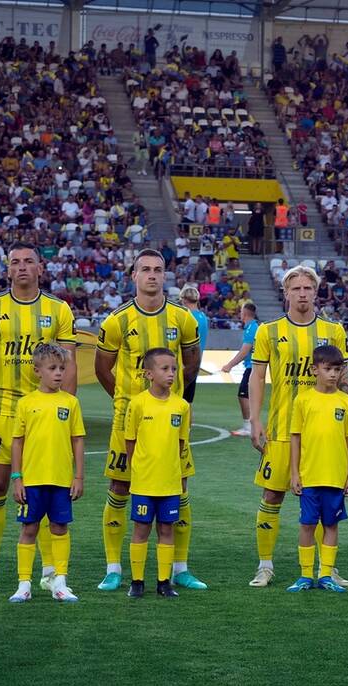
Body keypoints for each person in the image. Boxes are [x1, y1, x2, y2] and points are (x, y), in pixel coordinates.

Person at [0, 243, 77, 594]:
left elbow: (69, 366)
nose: (23, 267)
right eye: (15, 262)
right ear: (7, 269)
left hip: (45, 411)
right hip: (1, 408)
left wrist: (64, 412)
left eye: (29, 261)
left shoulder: (58, 309)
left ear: (40, 268)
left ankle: (47, 572)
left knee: (44, 488)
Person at [95, 249, 202, 592]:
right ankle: (113, 568)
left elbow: (192, 360)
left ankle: (180, 568)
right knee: (119, 487)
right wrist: (126, 402)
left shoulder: (183, 319)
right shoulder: (117, 321)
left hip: (169, 421)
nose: (152, 275)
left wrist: (178, 401)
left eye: (158, 270)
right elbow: (102, 367)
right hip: (129, 419)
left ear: (165, 275)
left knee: (179, 488)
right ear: (134, 276)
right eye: (145, 270)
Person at [248, 265, 348, 587]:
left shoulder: (333, 331)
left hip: (322, 437)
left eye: (308, 288)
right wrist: (254, 419)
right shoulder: (269, 331)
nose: (302, 294)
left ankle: (326, 568)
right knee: (272, 497)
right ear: (286, 292)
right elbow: (257, 376)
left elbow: (343, 378)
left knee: (322, 503)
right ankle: (265, 565)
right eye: (296, 289)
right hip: (280, 431)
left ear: (316, 292)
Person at [7, 344, 85, 603]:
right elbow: (17, 441)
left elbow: (77, 440)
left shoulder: (71, 403)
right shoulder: (26, 403)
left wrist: (78, 476)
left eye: (62, 368)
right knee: (29, 528)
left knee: (60, 527)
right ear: (37, 370)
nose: (59, 373)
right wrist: (17, 478)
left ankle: (60, 582)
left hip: (61, 479)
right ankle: (23, 584)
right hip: (32, 480)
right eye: (52, 368)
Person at [287, 344, 348, 593]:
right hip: (309, 476)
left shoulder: (346, 402)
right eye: (327, 369)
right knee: (307, 524)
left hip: (336, 476)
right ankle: (306, 575)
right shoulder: (303, 400)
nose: (332, 374)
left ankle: (326, 574)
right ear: (314, 369)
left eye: (337, 369)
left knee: (331, 524)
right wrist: (295, 473)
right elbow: (295, 437)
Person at [125, 348, 192, 599]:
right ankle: (137, 581)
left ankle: (164, 582)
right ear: (149, 374)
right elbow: (130, 441)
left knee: (166, 529)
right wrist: (139, 469)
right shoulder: (138, 403)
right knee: (141, 529)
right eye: (165, 369)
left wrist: (177, 474)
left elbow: (181, 444)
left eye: (174, 369)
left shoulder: (181, 406)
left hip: (169, 482)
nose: (171, 373)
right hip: (144, 481)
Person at [222, 302, 259, 437]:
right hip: (253, 366)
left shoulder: (251, 328)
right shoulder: (253, 327)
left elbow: (245, 350)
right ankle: (253, 426)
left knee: (243, 396)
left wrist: (230, 365)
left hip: (252, 367)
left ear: (244, 313)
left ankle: (248, 428)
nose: (239, 314)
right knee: (249, 396)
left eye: (241, 311)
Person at [179, 285, 208, 404]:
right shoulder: (203, 317)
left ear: (184, 299)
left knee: (177, 401)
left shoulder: (186, 316)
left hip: (183, 363)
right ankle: (187, 423)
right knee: (188, 402)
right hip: (196, 362)